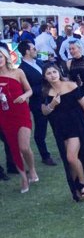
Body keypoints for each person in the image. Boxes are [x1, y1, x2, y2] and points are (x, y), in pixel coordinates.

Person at [41, 63, 84, 201]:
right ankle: (76, 188)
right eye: (48, 73)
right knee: (71, 161)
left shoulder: (71, 85)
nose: (52, 75)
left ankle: (82, 184)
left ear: (59, 72)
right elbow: (44, 111)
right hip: (60, 129)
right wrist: (52, 105)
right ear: (45, 77)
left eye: (54, 72)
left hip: (77, 126)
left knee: (71, 157)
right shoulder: (45, 91)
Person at [0, 42, 38, 193]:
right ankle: (23, 177)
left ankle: (32, 169)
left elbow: (29, 91)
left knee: (24, 146)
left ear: (5, 57)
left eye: (0, 56)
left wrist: (23, 96)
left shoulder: (18, 72)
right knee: (14, 148)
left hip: (21, 112)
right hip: (4, 115)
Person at [17, 40, 57, 166]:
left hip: (51, 99)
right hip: (38, 104)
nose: (36, 50)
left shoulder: (39, 62)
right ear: (27, 51)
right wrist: (41, 86)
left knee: (59, 126)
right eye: (34, 49)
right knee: (40, 131)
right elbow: (25, 89)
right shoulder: (21, 69)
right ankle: (45, 156)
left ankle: (65, 149)